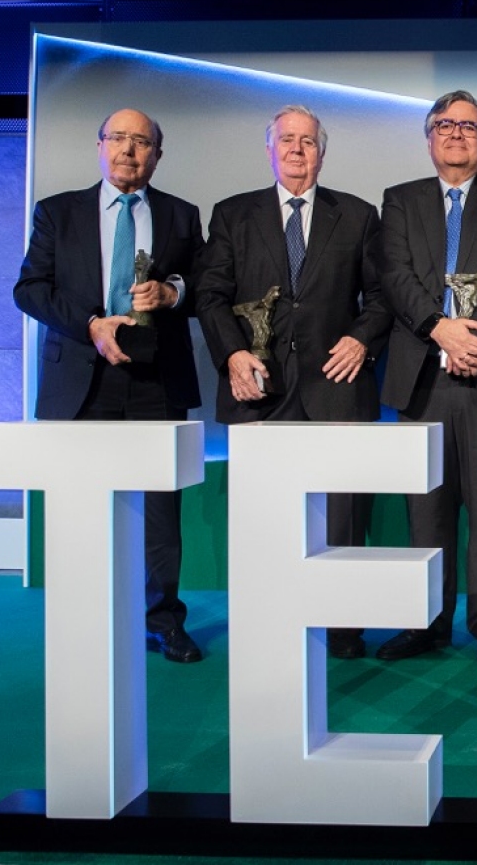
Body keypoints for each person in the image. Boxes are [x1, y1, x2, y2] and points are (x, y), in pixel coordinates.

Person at [194, 105, 390, 660]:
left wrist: (361, 339)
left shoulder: (356, 215)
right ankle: (267, 621)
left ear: (321, 153)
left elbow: (380, 299)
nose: (297, 150)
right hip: (260, 387)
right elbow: (210, 296)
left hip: (337, 384)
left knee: (344, 514)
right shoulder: (233, 215)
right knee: (265, 516)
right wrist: (232, 355)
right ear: (270, 149)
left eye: (308, 141)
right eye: (287, 140)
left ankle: (344, 626)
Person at [13, 108, 206, 663]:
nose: (129, 150)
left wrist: (172, 292)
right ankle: (87, 619)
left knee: (160, 515)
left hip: (155, 380)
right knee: (82, 507)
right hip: (82, 377)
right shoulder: (58, 213)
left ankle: (164, 621)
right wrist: (91, 324)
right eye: (118, 138)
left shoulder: (181, 215)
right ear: (99, 146)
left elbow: (204, 281)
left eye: (142, 141)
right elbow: (29, 290)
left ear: (157, 155)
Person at [378, 91, 477, 669]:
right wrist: (439, 329)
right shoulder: (400, 200)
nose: (456, 134)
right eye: (444, 125)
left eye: (469, 126)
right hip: (421, 375)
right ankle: (428, 623)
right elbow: (395, 275)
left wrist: (473, 336)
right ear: (428, 138)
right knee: (427, 511)